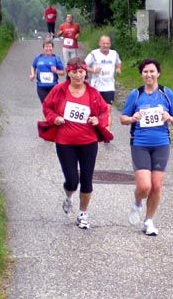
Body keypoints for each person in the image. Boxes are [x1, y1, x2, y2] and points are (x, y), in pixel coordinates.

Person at [42, 56, 110, 229]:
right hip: (65, 142)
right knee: (72, 180)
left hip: (88, 142)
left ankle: (82, 214)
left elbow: (104, 112)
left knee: (87, 180)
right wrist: (54, 118)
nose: (78, 76)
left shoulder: (93, 93)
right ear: (68, 73)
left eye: (81, 72)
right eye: (74, 72)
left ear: (85, 73)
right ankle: (69, 196)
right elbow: (47, 107)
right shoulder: (59, 90)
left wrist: (98, 120)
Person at [119, 58, 173, 236]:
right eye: (145, 72)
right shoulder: (136, 95)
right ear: (141, 75)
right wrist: (133, 118)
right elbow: (123, 118)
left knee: (156, 186)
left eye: (152, 71)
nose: (149, 75)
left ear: (158, 73)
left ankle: (148, 221)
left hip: (162, 144)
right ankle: (138, 202)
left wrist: (169, 117)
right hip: (140, 144)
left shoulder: (167, 93)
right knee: (145, 186)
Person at [84, 35, 121, 129]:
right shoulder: (93, 54)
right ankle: (94, 129)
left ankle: (107, 132)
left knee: (108, 110)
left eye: (108, 43)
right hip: (96, 86)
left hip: (109, 86)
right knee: (95, 110)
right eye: (103, 43)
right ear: (99, 43)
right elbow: (83, 65)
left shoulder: (114, 53)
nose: (105, 45)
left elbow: (118, 63)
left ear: (110, 44)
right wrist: (93, 70)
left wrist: (118, 69)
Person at [30, 39, 65, 103]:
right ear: (43, 48)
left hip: (53, 86)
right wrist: (32, 74)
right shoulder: (38, 58)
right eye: (46, 46)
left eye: (50, 46)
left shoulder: (56, 58)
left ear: (52, 48)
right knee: (45, 105)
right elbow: (33, 66)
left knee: (54, 105)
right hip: (41, 86)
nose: (48, 48)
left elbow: (63, 72)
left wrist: (56, 71)